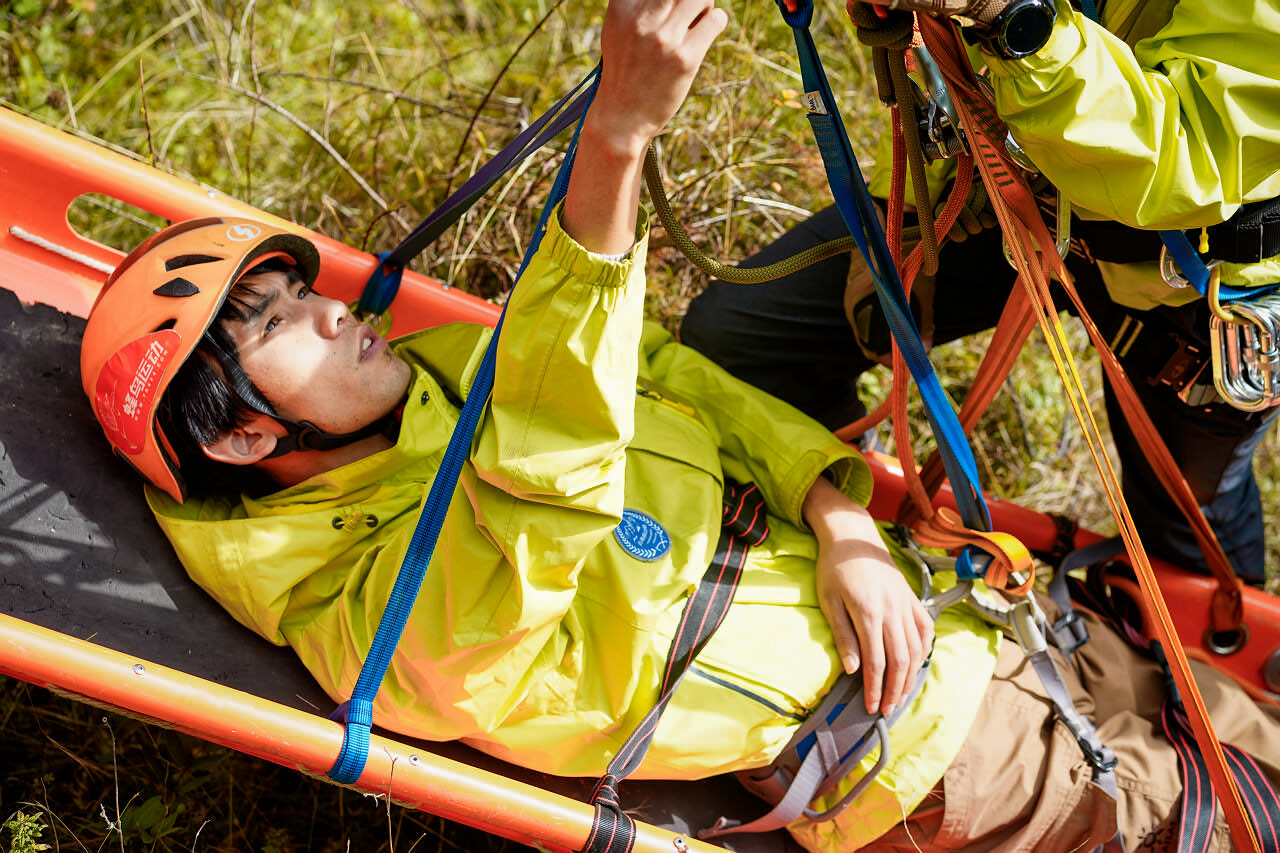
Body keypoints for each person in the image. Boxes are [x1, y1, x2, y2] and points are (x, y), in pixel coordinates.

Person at [79, 0, 1279, 850]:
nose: (339, 310)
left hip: (972, 609)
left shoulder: (426, 386)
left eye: (305, 288)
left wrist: (837, 511)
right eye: (284, 323)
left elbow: (661, 375)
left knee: (1242, 727)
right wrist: (612, 141)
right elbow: (549, 493)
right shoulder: (379, 617)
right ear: (241, 439)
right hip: (933, 740)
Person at [681, 0, 1280, 586]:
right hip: (1005, 192)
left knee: (1188, 539)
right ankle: (842, 520)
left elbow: (1191, 155)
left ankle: (1219, 667)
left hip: (1194, 276)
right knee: (738, 342)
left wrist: (1007, 14)